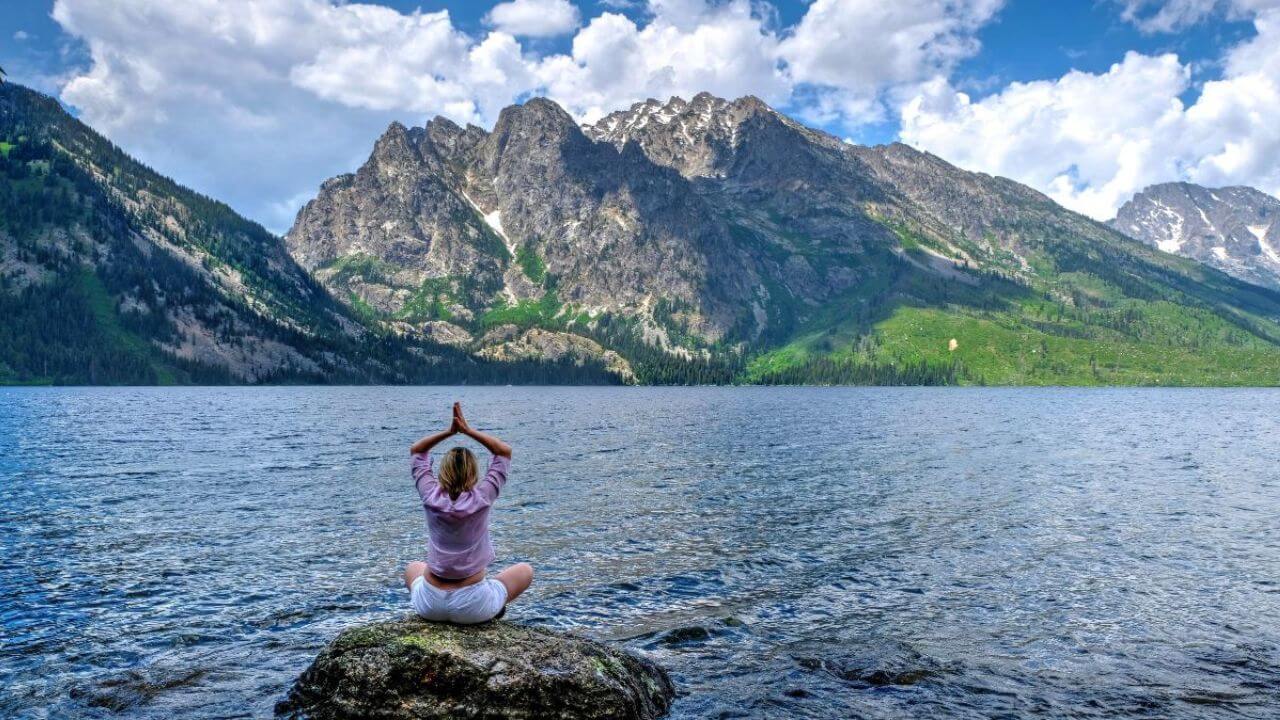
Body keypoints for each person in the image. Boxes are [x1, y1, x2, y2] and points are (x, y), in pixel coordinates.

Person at [403, 402, 533, 624]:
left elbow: (417, 450)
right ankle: (494, 606)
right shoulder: (483, 497)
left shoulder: (429, 495)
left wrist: (449, 432)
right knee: (525, 570)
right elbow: (504, 451)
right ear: (474, 473)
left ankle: (450, 606)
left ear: (442, 471)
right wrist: (468, 431)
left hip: (430, 604)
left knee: (413, 567)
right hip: (472, 606)